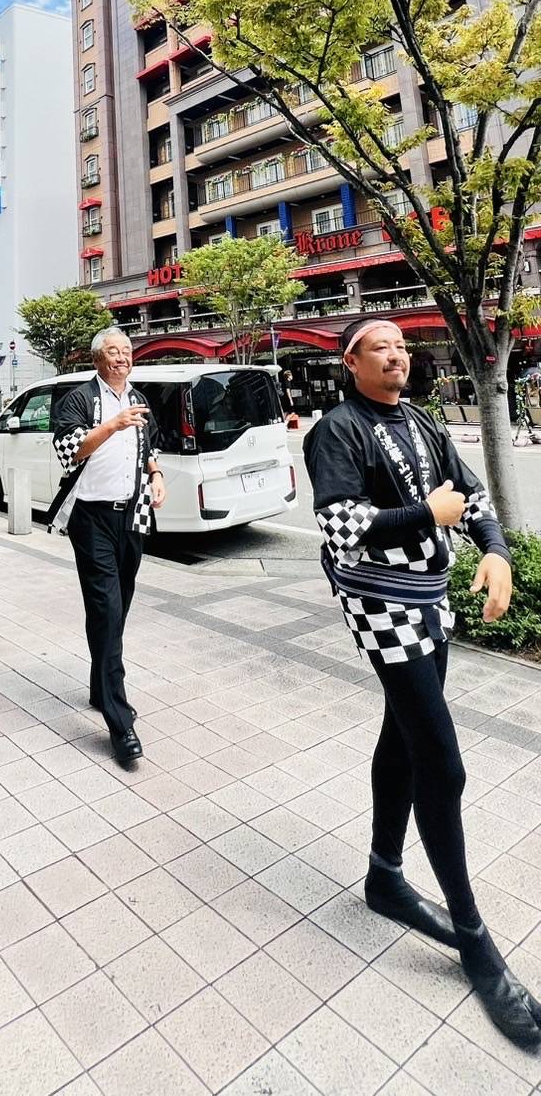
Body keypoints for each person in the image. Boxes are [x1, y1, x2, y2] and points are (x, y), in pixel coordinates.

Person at [304, 315, 541, 1049]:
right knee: (443, 763)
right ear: (350, 362)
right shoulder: (335, 430)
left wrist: (494, 551)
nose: (398, 355)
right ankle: (473, 938)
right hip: (380, 607)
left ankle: (384, 875)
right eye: (381, 346)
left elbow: (469, 500)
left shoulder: (422, 422)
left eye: (403, 346)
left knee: (403, 738)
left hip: (431, 600)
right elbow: (342, 527)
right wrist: (426, 514)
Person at [47, 328, 165, 767]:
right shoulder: (78, 400)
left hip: (131, 514)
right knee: (107, 608)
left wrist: (156, 475)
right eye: (113, 352)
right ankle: (118, 720)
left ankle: (99, 686)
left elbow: (146, 447)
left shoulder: (137, 397)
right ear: (98, 359)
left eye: (127, 352)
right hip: (91, 518)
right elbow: (70, 451)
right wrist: (112, 424)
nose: (122, 358)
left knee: (120, 605)